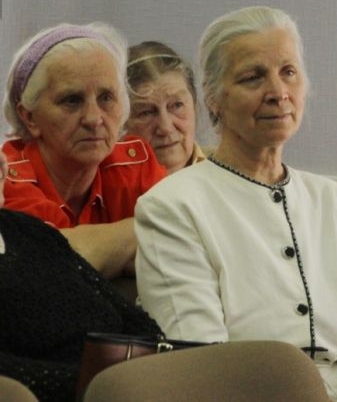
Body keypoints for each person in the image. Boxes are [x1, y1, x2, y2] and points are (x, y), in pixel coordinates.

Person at [134, 6, 337, 401]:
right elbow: (202, 365)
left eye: (288, 72)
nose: (278, 92)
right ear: (214, 99)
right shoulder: (173, 207)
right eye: (253, 77)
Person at [1, 23, 166, 279]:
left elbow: (189, 238)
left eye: (106, 98)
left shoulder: (135, 163)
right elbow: (52, 265)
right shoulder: (8, 179)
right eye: (72, 100)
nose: (93, 118)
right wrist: (141, 232)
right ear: (29, 117)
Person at [0, 148, 162, 402]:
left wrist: (160, 362)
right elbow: (11, 378)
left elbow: (130, 317)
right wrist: (107, 383)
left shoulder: (30, 231)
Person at [125, 41, 209, 174]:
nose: (166, 128)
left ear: (194, 105)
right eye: (146, 112)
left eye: (177, 105)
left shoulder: (230, 174)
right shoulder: (103, 184)